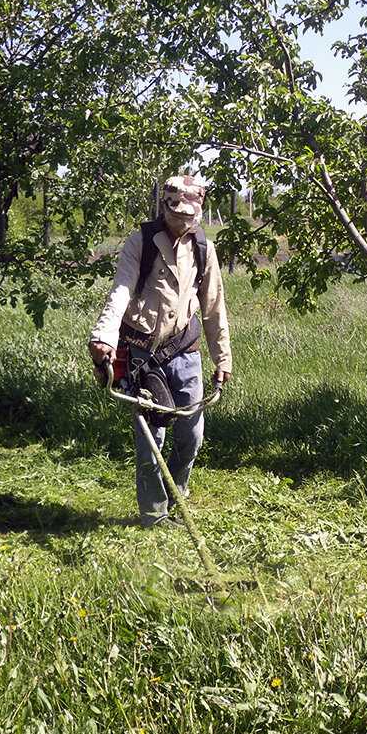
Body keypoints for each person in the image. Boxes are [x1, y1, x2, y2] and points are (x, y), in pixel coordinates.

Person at [89, 175, 232, 528]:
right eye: (177, 214)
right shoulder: (141, 242)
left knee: (192, 433)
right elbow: (121, 290)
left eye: (190, 216)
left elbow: (213, 306)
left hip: (185, 348)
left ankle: (176, 499)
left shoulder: (204, 248)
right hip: (141, 351)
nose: (184, 222)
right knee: (153, 435)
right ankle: (155, 514)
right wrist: (105, 335)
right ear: (164, 206)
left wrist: (223, 357)